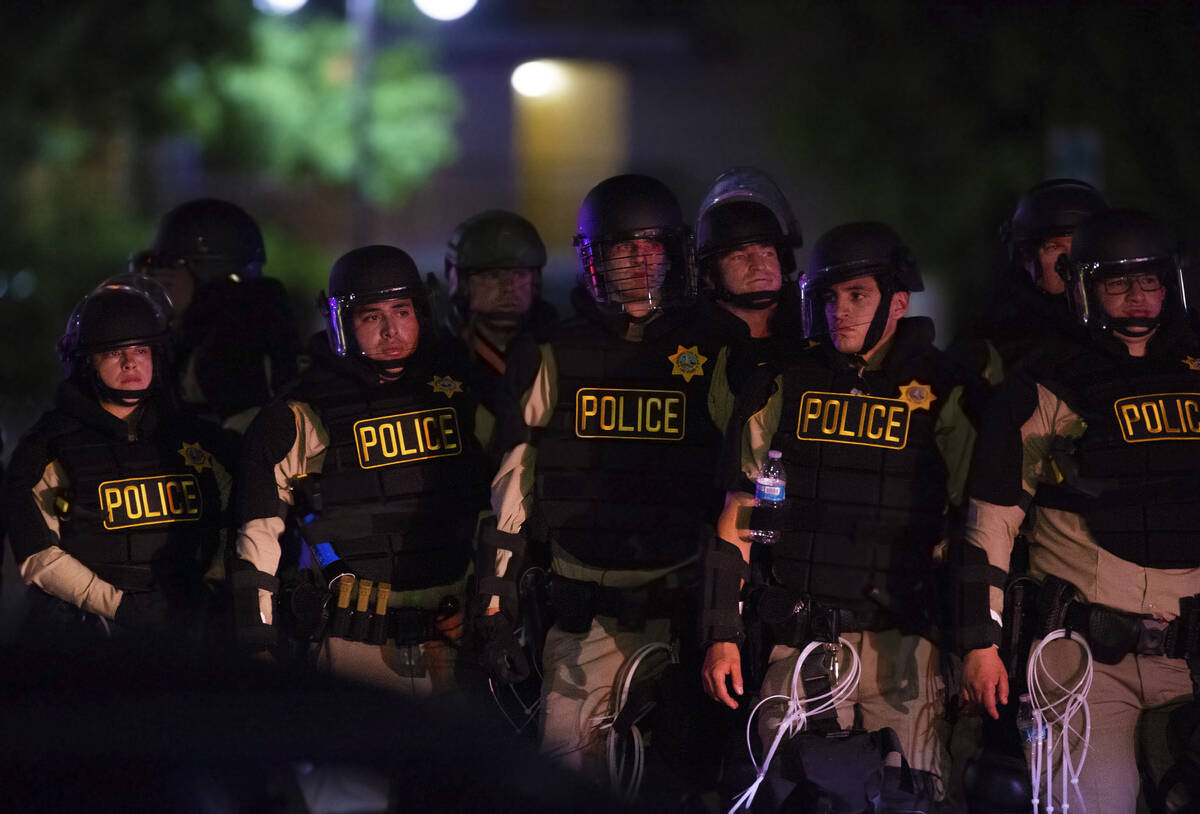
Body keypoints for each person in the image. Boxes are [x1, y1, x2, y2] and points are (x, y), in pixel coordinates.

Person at [701, 222, 975, 810]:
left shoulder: (949, 391)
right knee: (784, 796)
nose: (838, 312)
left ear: (898, 302)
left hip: (905, 647)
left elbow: (976, 524)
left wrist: (974, 641)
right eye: (827, 297)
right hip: (799, 636)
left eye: (857, 296)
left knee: (916, 797)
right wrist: (722, 633)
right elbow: (740, 514)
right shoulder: (782, 384)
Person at [474, 174, 731, 798]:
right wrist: (496, 599)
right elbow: (514, 481)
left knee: (687, 786)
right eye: (624, 248)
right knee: (563, 781)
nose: (643, 260)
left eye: (654, 246)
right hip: (582, 608)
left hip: (685, 610)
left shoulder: (717, 347)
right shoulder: (554, 350)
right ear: (595, 258)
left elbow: (746, 482)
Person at [958, 209, 1200, 814]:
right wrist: (980, 643)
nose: (1138, 297)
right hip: (1083, 654)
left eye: (1150, 281)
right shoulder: (1047, 380)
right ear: (1086, 289)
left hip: (1191, 654)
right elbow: (991, 518)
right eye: (1119, 283)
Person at [229, 245, 489, 695]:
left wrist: (489, 604)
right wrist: (258, 639)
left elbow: (500, 505)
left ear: (421, 314)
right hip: (351, 639)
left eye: (401, 311)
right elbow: (257, 536)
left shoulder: (461, 397)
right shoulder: (299, 413)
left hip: (452, 632)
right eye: (371, 316)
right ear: (342, 322)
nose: (391, 330)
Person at [2, 276, 233, 645]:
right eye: (113, 352)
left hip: (193, 631)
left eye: (141, 350)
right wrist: (120, 607)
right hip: (88, 638)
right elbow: (36, 555)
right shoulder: (47, 448)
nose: (130, 363)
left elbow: (238, 522)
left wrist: (208, 591)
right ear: (85, 363)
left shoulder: (200, 439)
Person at [132, 197, 302, 432]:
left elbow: (249, 447)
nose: (158, 277)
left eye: (170, 263)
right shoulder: (190, 338)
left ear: (208, 273)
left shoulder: (234, 347)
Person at [959, 179, 1108, 387]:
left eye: (1081, 245)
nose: (1071, 261)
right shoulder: (993, 344)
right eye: (1053, 248)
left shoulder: (1128, 325)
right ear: (1025, 257)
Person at [695, 166, 806, 425]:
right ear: (712, 274)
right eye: (740, 256)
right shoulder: (690, 343)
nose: (759, 265)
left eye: (767, 252)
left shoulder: (814, 337)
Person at [442, 209, 558, 451]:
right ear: (461, 282)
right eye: (493, 275)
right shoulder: (440, 357)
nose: (509, 288)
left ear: (535, 281)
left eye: (520, 274)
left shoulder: (557, 349)